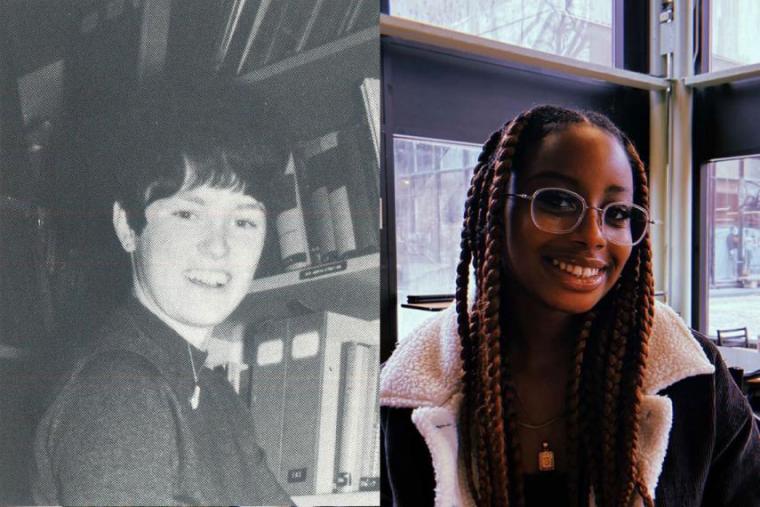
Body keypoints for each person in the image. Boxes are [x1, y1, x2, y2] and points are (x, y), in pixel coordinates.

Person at [380, 105, 760, 506]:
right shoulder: (408, 391)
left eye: (617, 213)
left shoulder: (695, 378)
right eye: (559, 202)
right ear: (493, 210)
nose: (593, 236)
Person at [31, 106, 293, 505]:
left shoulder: (218, 397)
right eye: (187, 214)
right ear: (127, 227)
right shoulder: (120, 392)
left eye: (244, 221)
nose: (219, 246)